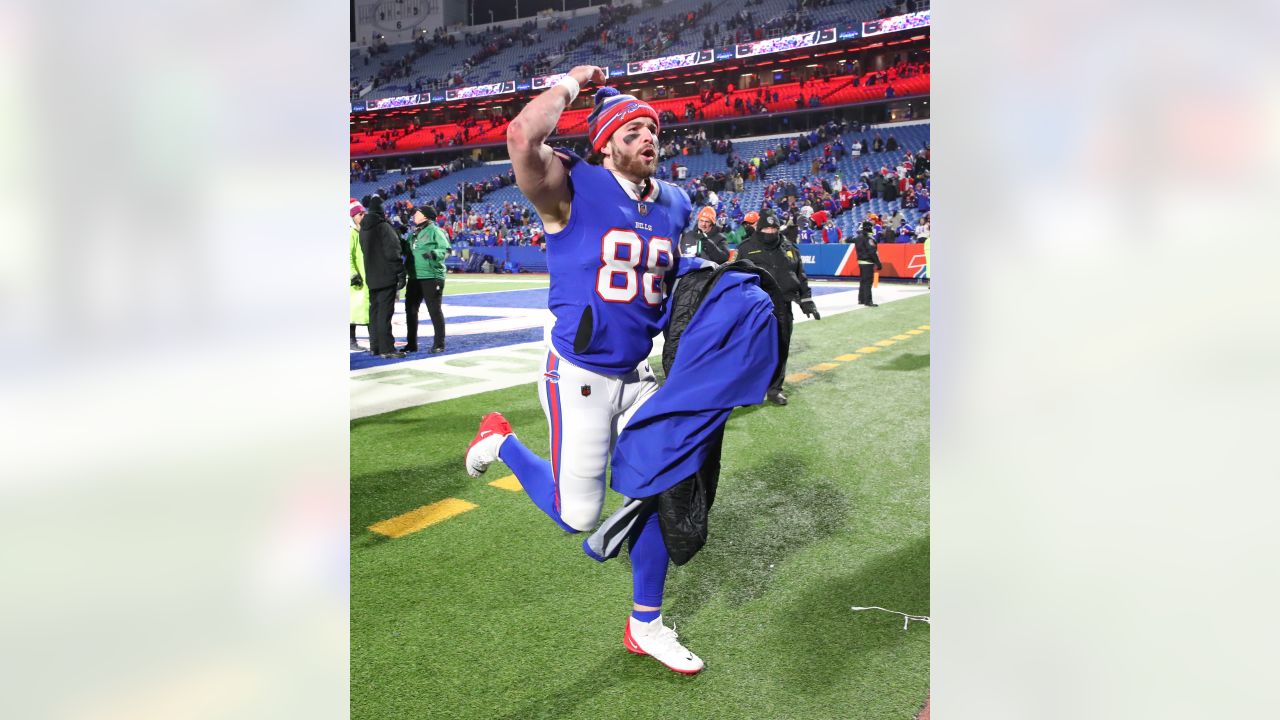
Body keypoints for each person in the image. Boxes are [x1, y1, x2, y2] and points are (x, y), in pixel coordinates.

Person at [462, 66, 706, 674]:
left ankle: (644, 623)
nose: (648, 137)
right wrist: (572, 81)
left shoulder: (676, 203)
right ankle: (504, 440)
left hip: (640, 373)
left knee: (658, 489)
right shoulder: (571, 187)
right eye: (632, 131)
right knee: (578, 517)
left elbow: (681, 285)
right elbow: (522, 137)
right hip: (581, 373)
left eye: (652, 128)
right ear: (604, 143)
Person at [735, 208, 820, 406]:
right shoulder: (746, 248)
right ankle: (750, 389)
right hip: (757, 307)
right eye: (766, 228)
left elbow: (800, 276)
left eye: (774, 228)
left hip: (783, 305)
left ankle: (774, 389)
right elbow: (737, 278)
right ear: (759, 228)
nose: (770, 232)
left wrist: (806, 300)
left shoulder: (789, 247)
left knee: (781, 348)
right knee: (754, 349)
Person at [359, 195, 407, 358]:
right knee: (384, 313)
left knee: (375, 312)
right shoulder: (383, 226)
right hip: (386, 275)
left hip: (371, 276)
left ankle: (375, 347)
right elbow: (393, 252)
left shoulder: (363, 229)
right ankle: (387, 349)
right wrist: (400, 272)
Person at [400, 206, 451, 354]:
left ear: (426, 216)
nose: (414, 214)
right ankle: (411, 344)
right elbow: (407, 250)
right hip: (415, 276)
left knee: (434, 311)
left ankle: (439, 344)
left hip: (431, 276)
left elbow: (446, 250)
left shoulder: (435, 231)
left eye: (418, 212)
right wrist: (398, 238)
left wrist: (433, 253)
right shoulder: (414, 232)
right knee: (410, 310)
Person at [349, 198, 370, 352]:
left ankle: (375, 341)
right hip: (356, 280)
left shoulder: (365, 232)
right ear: (352, 217)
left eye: (363, 213)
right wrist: (352, 274)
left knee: (368, 309)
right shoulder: (351, 234)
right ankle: (350, 341)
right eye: (359, 214)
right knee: (352, 310)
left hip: (368, 277)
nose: (363, 216)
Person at [854, 221, 882, 307]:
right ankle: (868, 301)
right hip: (868, 262)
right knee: (868, 282)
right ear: (869, 227)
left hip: (860, 262)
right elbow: (872, 252)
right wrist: (878, 263)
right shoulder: (869, 238)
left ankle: (861, 299)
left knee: (863, 281)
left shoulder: (858, 237)